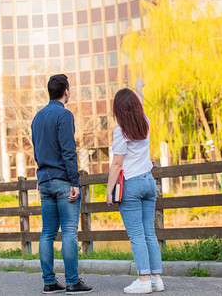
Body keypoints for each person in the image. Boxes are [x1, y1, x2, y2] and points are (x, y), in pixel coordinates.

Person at [31, 74, 93, 295]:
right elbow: (68, 150)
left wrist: (42, 177)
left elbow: (37, 151)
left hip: (44, 180)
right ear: (66, 91)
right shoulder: (64, 115)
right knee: (68, 232)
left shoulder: (37, 118)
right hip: (62, 180)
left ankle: (49, 282)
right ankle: (72, 282)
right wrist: (75, 181)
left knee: (47, 232)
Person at [106, 77, 164, 294]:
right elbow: (139, 105)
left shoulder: (120, 131)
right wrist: (139, 89)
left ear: (118, 110)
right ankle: (156, 279)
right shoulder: (145, 123)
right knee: (149, 232)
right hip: (149, 181)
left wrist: (109, 190)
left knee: (137, 235)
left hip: (131, 183)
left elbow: (117, 163)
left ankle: (143, 280)